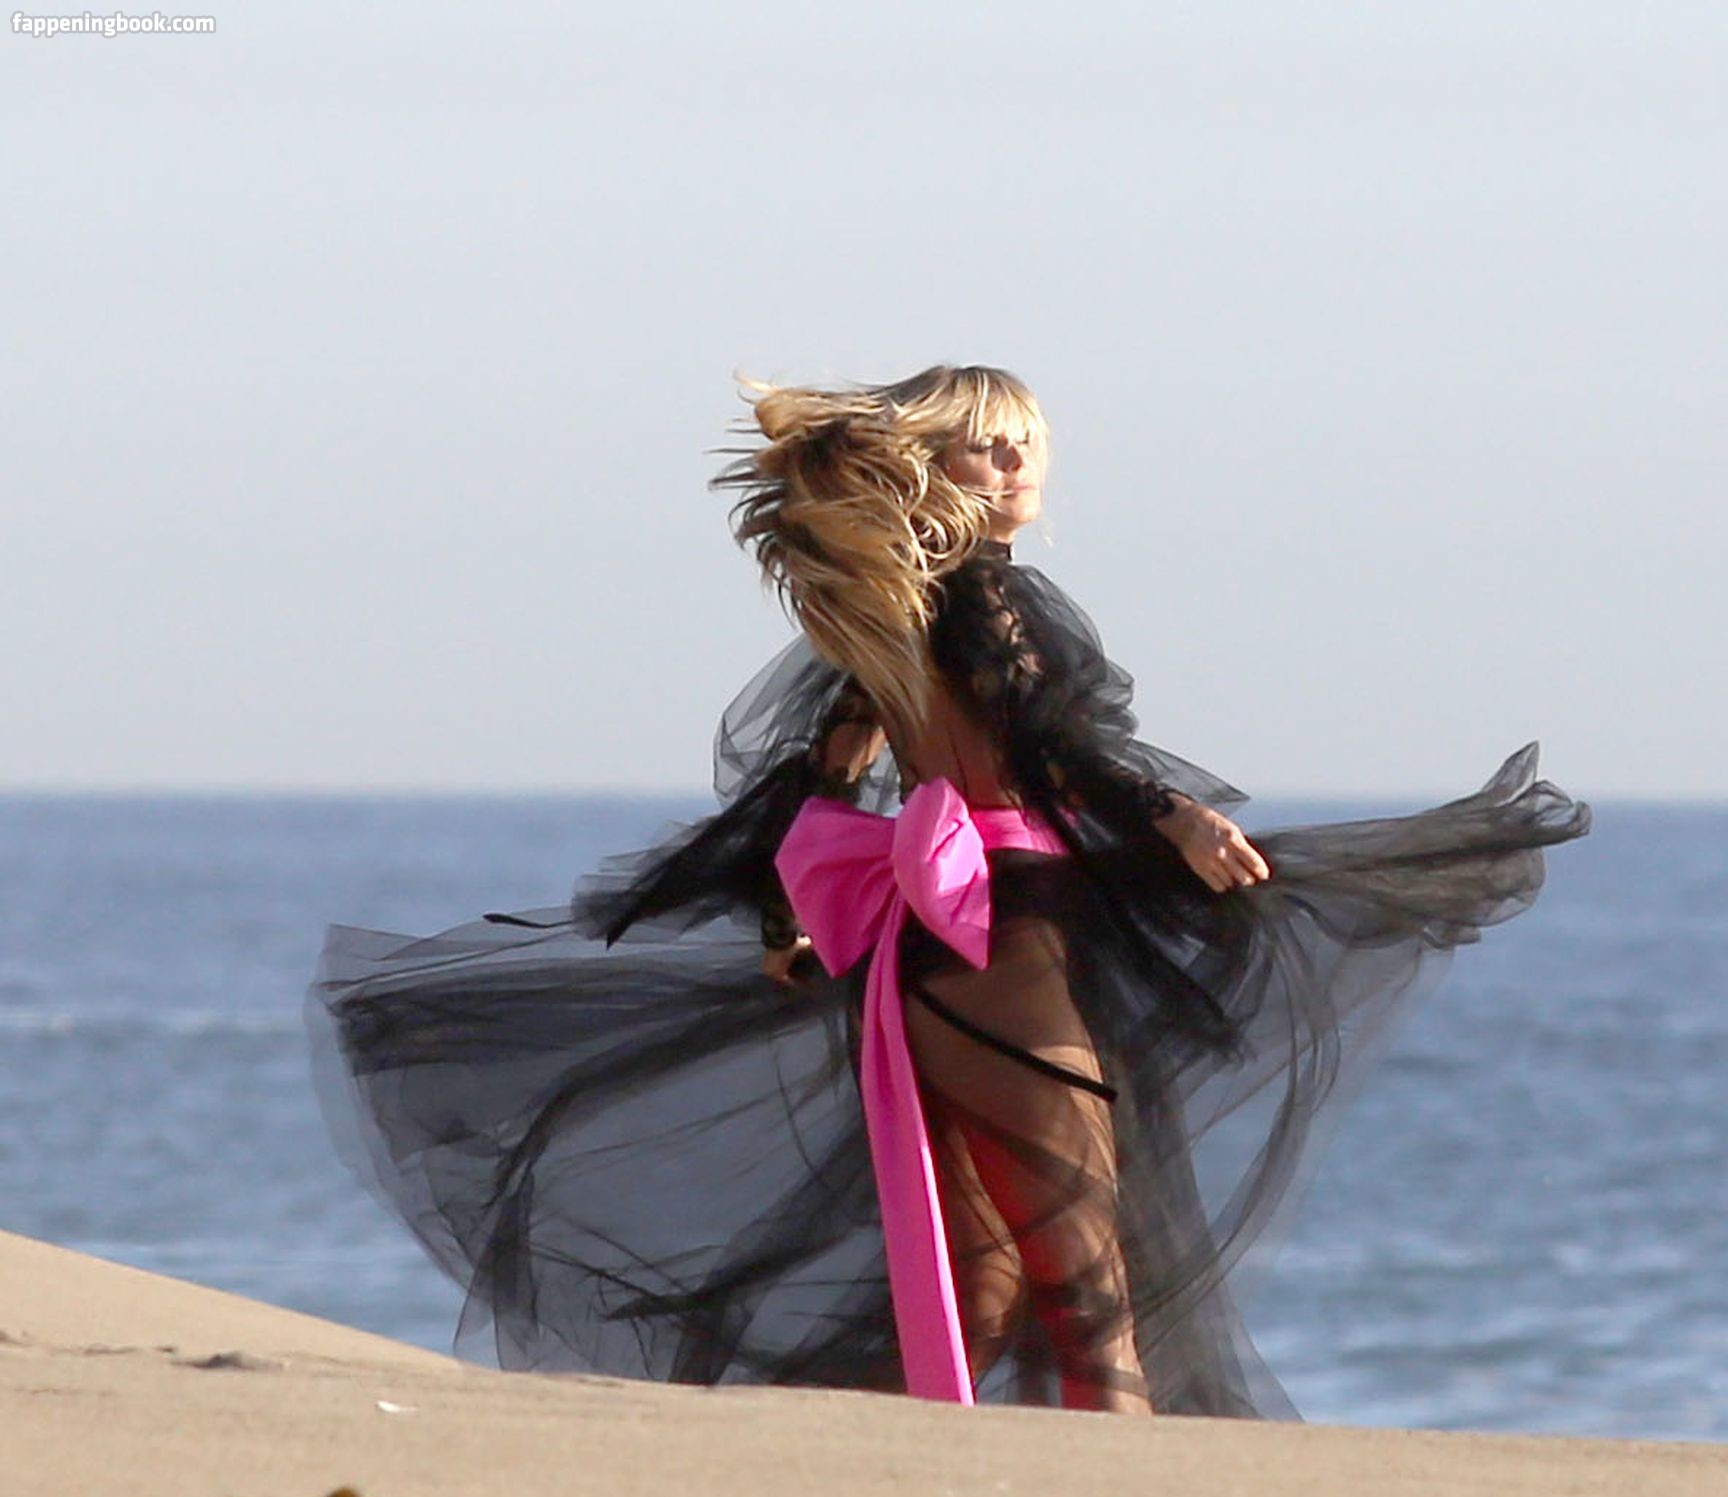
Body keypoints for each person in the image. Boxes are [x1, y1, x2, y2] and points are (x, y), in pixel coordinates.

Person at [305, 363, 1591, 1421]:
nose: (1015, 464)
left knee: (983, 1287)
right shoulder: (983, 597)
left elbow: (812, 789)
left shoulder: (893, 619)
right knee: (1089, 1286)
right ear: (930, 468)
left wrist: (789, 921)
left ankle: (809, 1472)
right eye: (983, 446)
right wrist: (1173, 813)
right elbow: (1045, 745)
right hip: (1007, 941)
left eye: (1028, 443)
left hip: (930, 954)